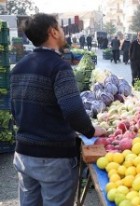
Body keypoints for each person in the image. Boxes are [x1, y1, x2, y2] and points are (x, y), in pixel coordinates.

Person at [10, 13, 106, 206]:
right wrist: (91, 130)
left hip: (24, 155)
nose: (63, 33)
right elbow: (72, 111)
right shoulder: (59, 67)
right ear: (53, 32)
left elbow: (15, 110)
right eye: (61, 29)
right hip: (53, 159)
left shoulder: (19, 67)